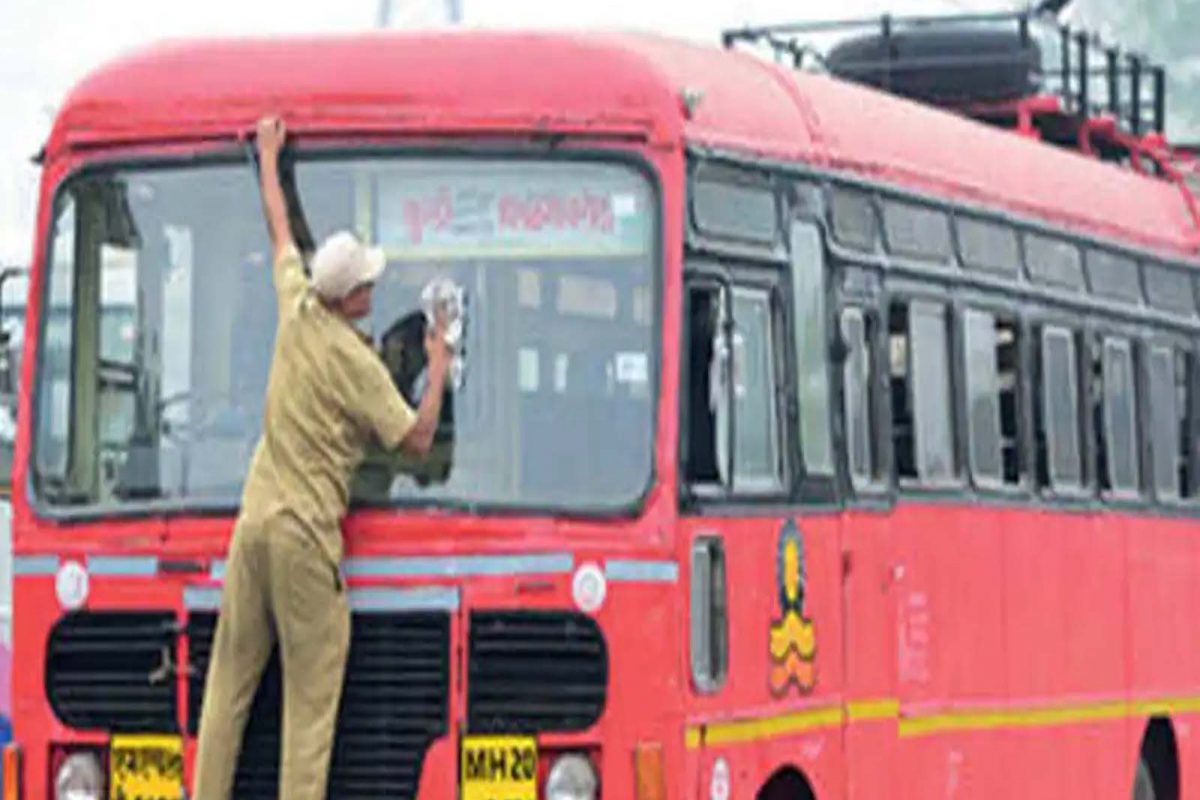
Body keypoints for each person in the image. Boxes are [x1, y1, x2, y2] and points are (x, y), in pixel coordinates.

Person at [192, 116, 451, 800]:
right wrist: (440, 364)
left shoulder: (296, 306)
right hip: (306, 540)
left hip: (252, 528)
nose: (374, 290)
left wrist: (269, 157)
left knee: (227, 689)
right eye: (368, 282)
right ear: (354, 299)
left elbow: (280, 227)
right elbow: (419, 441)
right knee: (309, 706)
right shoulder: (355, 363)